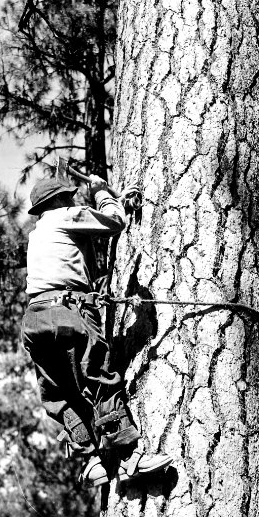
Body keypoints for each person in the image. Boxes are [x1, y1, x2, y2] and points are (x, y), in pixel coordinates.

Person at [21, 173, 172, 488]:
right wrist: (104, 192)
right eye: (71, 196)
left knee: (60, 395)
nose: (75, 200)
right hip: (69, 312)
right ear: (61, 199)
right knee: (100, 379)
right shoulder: (66, 215)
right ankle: (129, 457)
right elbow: (115, 221)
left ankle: (90, 461)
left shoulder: (38, 234)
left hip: (35, 320)